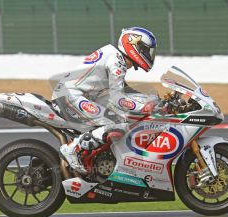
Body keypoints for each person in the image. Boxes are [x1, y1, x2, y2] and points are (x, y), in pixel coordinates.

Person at [52, 27, 159, 174]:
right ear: (134, 46)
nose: (149, 55)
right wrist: (143, 107)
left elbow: (125, 91)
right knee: (116, 123)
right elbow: (117, 98)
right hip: (70, 96)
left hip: (74, 94)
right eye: (146, 50)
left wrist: (153, 101)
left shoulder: (115, 56)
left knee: (120, 117)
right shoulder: (117, 62)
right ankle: (72, 149)